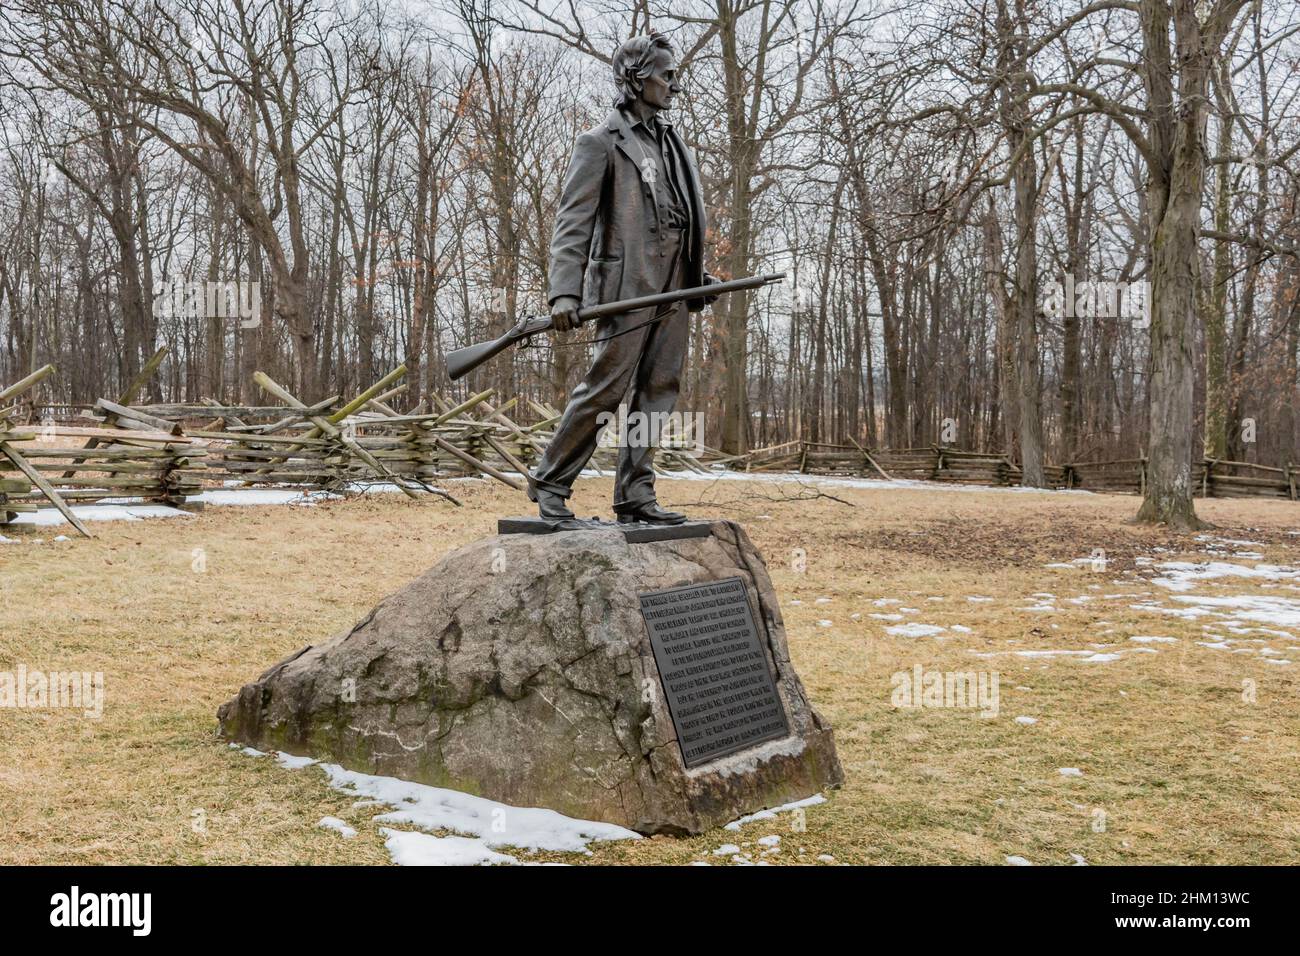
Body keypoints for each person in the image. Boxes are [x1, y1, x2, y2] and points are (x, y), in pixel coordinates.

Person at [529, 32, 718, 525]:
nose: (675, 84)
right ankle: (550, 479)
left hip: (676, 283)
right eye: (666, 75)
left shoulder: (672, 142)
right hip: (626, 285)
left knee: (660, 386)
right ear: (637, 79)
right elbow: (573, 222)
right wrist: (564, 292)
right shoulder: (599, 143)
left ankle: (636, 492)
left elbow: (680, 214)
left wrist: (697, 270)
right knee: (605, 388)